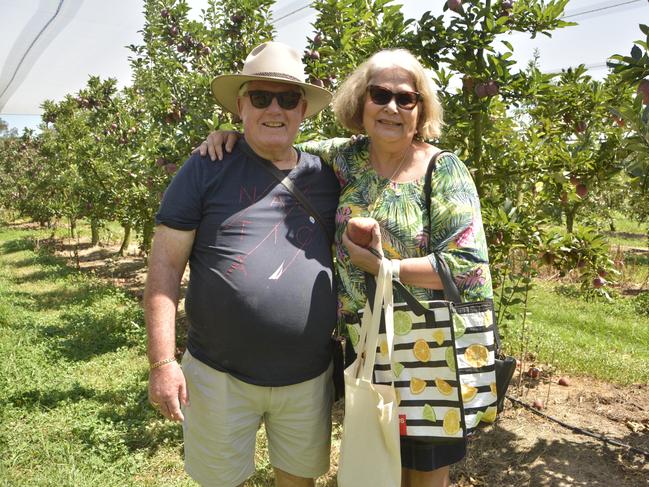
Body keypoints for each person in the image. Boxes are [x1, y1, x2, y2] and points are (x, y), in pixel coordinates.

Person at [199, 48, 493, 487]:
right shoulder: (345, 157)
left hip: (428, 344)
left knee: (424, 472)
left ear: (421, 109)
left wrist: (382, 266)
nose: (391, 107)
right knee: (376, 465)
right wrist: (228, 135)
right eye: (380, 95)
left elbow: (467, 267)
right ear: (361, 102)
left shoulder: (442, 169)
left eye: (405, 98)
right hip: (366, 343)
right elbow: (277, 140)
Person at [144, 41, 340, 487]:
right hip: (218, 377)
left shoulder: (326, 176)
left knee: (299, 481)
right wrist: (162, 362)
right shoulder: (206, 167)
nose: (275, 108)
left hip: (306, 379)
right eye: (261, 97)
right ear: (240, 104)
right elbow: (164, 270)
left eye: (288, 99)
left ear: (304, 110)